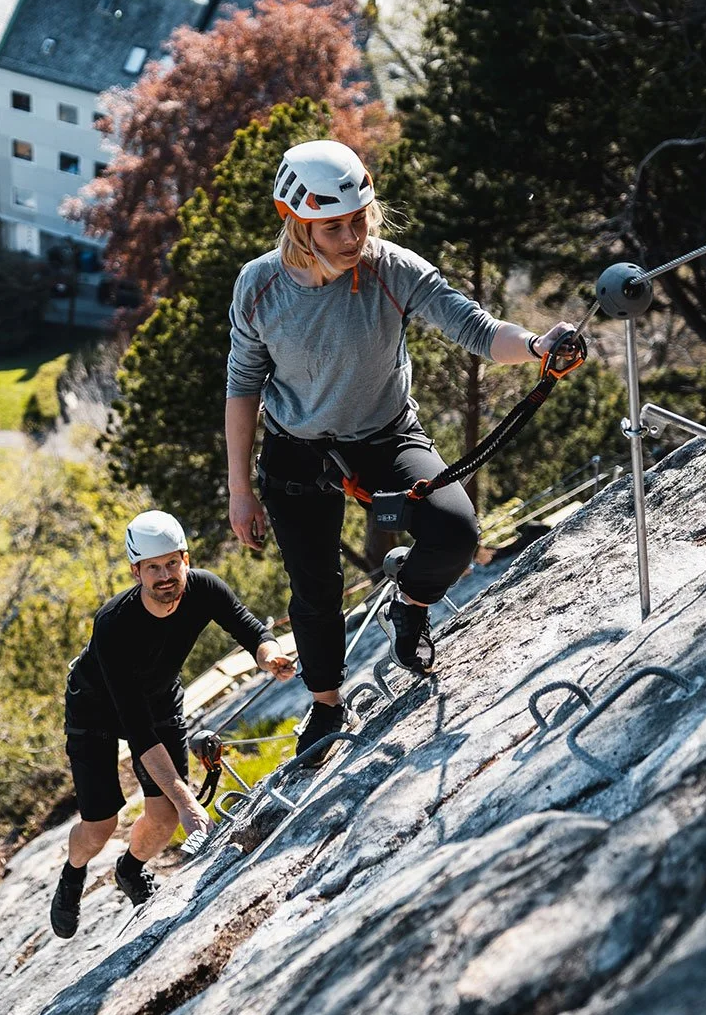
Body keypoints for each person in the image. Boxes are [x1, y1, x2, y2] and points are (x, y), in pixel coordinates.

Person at [224, 141, 577, 754]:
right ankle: (326, 707)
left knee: (456, 532)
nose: (352, 234)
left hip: (384, 441)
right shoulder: (258, 288)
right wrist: (240, 491)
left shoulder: (391, 270)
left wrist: (538, 347)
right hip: (297, 457)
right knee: (315, 588)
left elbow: (475, 328)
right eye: (333, 225)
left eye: (359, 219)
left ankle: (408, 604)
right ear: (297, 222)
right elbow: (243, 385)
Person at [50, 510, 294, 939]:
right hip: (96, 710)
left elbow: (250, 628)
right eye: (153, 568)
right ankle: (72, 876)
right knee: (101, 825)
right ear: (136, 571)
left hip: (159, 696)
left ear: (185, 558)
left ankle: (130, 870)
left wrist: (268, 654)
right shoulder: (113, 624)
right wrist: (189, 802)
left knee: (161, 820)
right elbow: (137, 728)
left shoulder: (204, 588)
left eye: (171, 563)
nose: (165, 576)